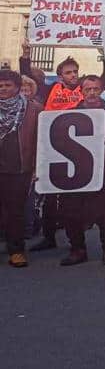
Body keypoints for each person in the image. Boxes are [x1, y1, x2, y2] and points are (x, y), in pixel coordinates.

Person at [21, 47, 83, 254]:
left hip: (76, 151)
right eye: (68, 72)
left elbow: (104, 79)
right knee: (48, 196)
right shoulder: (51, 90)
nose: (73, 75)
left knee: (71, 198)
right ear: (60, 76)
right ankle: (48, 237)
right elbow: (29, 78)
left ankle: (76, 241)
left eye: (75, 71)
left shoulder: (85, 89)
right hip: (50, 147)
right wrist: (26, 57)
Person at [58, 75, 105, 266]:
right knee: (71, 211)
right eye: (88, 89)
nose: (92, 93)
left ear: (101, 91)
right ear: (81, 92)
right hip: (76, 172)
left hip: (103, 171)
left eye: (96, 89)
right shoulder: (68, 115)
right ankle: (77, 250)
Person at [0, 68, 41, 267]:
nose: (3, 88)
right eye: (0, 85)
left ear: (17, 88)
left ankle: (16, 251)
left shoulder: (34, 109)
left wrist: (36, 168)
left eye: (8, 85)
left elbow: (41, 140)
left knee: (15, 211)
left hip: (19, 168)